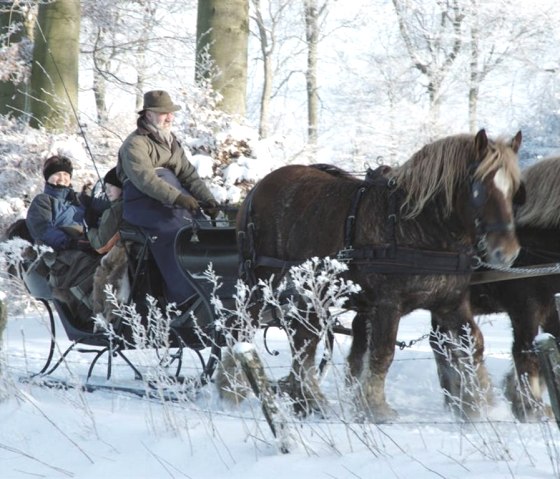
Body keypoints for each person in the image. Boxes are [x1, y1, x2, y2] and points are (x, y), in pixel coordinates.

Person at [117, 90, 219, 310]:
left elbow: (189, 176)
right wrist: (179, 198)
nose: (169, 117)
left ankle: (212, 289)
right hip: (143, 203)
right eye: (163, 113)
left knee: (201, 229)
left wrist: (207, 200)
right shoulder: (135, 144)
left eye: (171, 113)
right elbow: (145, 180)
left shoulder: (172, 143)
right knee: (175, 234)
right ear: (148, 114)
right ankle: (184, 299)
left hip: (174, 200)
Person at [26, 155, 101, 328]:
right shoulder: (43, 201)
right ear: (48, 177)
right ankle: (89, 315)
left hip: (87, 246)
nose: (62, 178)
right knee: (87, 266)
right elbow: (42, 229)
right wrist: (70, 242)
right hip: (59, 254)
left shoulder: (80, 201)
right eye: (57, 174)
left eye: (66, 175)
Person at [86, 167, 129, 329]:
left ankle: (103, 319)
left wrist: (89, 229)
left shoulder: (115, 209)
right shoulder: (127, 206)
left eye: (112, 186)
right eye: (106, 186)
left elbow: (101, 246)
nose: (108, 190)